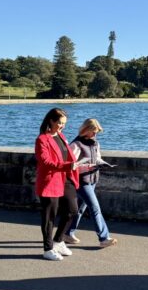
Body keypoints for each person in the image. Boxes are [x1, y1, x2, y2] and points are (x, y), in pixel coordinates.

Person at [63, 118, 118, 248]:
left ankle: (68, 234)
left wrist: (102, 163)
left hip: (92, 179)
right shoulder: (76, 144)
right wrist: (88, 167)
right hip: (82, 181)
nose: (95, 135)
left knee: (80, 210)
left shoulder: (95, 143)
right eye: (93, 132)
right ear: (86, 130)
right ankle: (104, 238)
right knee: (95, 208)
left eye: (97, 132)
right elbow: (71, 165)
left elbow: (97, 158)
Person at [35, 108, 79, 261]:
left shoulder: (61, 136)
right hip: (50, 181)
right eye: (59, 123)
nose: (62, 126)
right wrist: (67, 166)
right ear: (51, 121)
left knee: (73, 211)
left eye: (64, 123)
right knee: (49, 217)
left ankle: (58, 241)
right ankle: (48, 249)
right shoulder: (42, 139)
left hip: (65, 178)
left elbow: (66, 156)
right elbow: (46, 162)